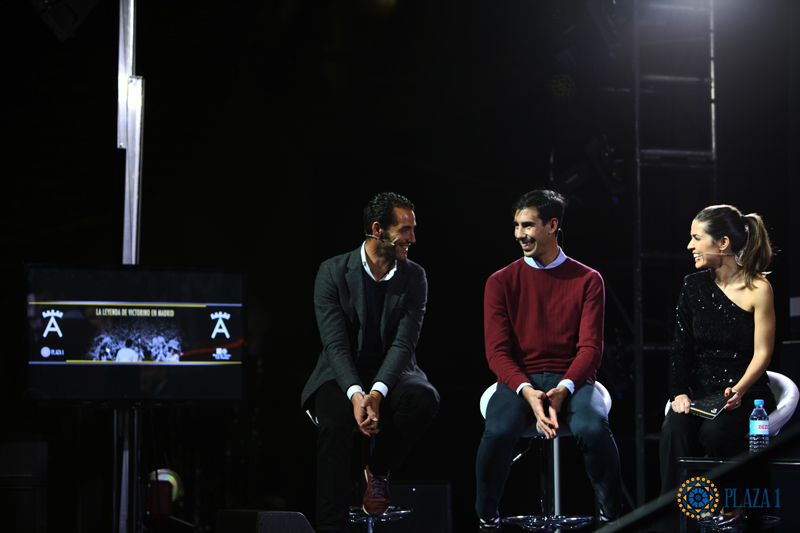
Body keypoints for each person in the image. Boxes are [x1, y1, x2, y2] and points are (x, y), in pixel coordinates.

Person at [475, 189, 623, 531]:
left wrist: (563, 389)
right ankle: (487, 520)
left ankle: (613, 518)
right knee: (496, 433)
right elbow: (497, 352)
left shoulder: (588, 280)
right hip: (519, 380)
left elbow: (590, 349)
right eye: (515, 226)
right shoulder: (500, 281)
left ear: (552, 225)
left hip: (572, 378)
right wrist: (528, 391)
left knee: (592, 427)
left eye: (527, 225)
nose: (518, 234)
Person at [301, 192, 440, 533]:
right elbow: (335, 344)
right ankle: (330, 527)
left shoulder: (415, 277)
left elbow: (404, 344)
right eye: (405, 230)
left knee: (425, 399)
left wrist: (375, 395)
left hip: (392, 371)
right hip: (340, 373)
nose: (413, 238)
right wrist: (355, 394)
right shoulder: (332, 272)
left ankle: (377, 469)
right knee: (333, 427)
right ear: (378, 230)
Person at [658, 204, 776, 527]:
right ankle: (673, 520)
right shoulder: (692, 286)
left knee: (716, 431)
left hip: (744, 391)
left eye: (697, 238)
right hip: (702, 392)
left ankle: (724, 517)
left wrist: (739, 390)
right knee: (673, 431)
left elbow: (762, 353)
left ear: (722, 243)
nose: (690, 246)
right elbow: (680, 349)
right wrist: (679, 393)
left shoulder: (759, 289)